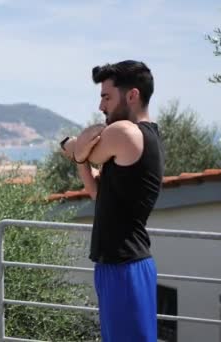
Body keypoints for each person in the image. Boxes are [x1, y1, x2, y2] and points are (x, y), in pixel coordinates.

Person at [61, 60, 165, 342]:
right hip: (115, 266)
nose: (101, 107)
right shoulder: (134, 138)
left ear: (132, 95)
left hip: (125, 268)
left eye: (107, 97)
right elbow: (96, 191)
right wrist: (79, 155)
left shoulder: (127, 133)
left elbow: (87, 152)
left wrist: (76, 147)